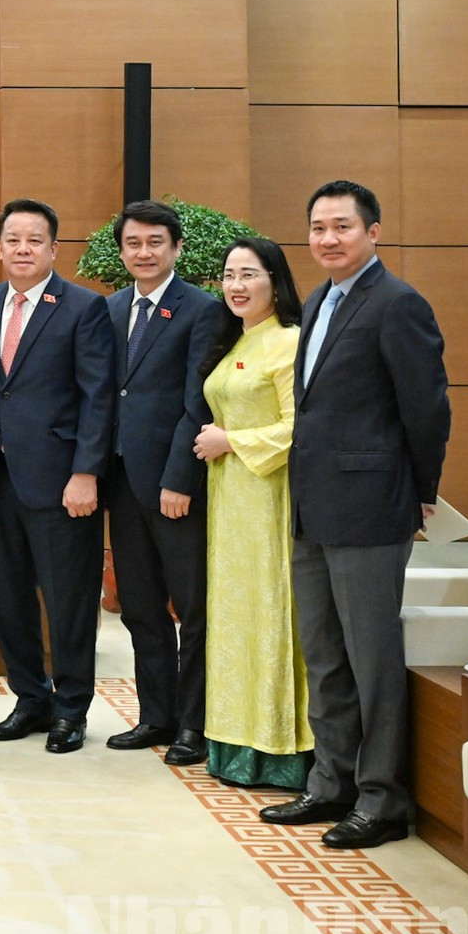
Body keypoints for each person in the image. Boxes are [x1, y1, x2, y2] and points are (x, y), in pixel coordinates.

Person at [261, 181, 452, 849]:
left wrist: (421, 490)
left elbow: (426, 409)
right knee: (325, 655)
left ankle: (382, 799)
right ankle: (332, 782)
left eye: (342, 226)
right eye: (318, 227)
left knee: (372, 662)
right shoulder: (321, 300)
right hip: (314, 506)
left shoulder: (398, 304)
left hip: (371, 508)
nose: (328, 238)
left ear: (373, 232)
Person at [0, 198, 117, 755]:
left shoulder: (83, 307)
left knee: (68, 602)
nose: (23, 249)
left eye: (35, 240)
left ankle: (71, 708)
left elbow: (98, 398)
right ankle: (29, 699)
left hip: (62, 483)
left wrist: (86, 473)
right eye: (13, 239)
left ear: (54, 249)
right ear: (0, 246)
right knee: (7, 599)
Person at [102, 200, 229, 767]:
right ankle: (156, 716)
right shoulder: (110, 309)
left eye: (155, 242)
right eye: (133, 243)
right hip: (123, 483)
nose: (144, 252)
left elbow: (197, 401)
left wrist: (180, 478)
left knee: (192, 608)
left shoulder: (203, 310)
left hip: (176, 488)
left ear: (176, 247)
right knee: (141, 608)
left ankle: (194, 725)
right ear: (121, 250)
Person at [193, 238, 312, 790]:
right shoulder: (237, 339)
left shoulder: (289, 342)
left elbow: (301, 426)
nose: (236, 285)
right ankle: (232, 739)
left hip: (268, 499)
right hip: (230, 501)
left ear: (275, 281)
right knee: (234, 615)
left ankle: (278, 747)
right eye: (229, 275)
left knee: (268, 611)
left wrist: (231, 440)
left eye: (249, 274)